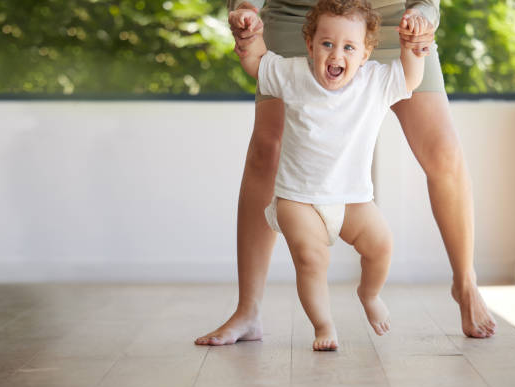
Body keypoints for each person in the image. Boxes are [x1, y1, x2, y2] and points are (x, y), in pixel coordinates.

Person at [195, 0, 497, 346]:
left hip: (394, 19)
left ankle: (465, 282)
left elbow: (413, 59)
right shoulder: (301, 56)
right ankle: (248, 310)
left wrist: (422, 17)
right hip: (301, 14)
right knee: (267, 150)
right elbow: (256, 59)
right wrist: (245, 9)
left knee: (443, 151)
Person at [225, 0, 427, 351]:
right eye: (327, 44)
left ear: (365, 54)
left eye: (349, 47)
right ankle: (323, 325)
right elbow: (257, 61)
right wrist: (249, 33)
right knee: (311, 259)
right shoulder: (293, 74)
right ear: (310, 46)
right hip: (298, 200)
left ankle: (369, 294)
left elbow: (410, 77)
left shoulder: (374, 82)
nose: (337, 55)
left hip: (352, 200)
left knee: (381, 246)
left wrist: (413, 48)